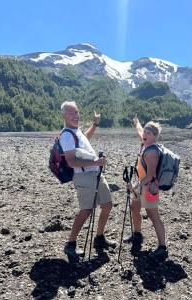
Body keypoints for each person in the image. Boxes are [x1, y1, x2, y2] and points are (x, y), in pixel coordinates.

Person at [60, 101, 116, 263]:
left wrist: (95, 124)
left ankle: (99, 238)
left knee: (107, 204)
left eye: (77, 112)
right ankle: (70, 244)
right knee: (86, 210)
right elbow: (71, 162)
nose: (75, 116)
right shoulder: (66, 135)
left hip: (95, 174)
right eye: (71, 113)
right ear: (64, 115)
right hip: (84, 176)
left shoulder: (76, 132)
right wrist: (96, 163)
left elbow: (85, 137)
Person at [127, 117, 168, 261]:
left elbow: (151, 175)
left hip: (148, 187)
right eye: (145, 131)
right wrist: (136, 122)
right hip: (141, 185)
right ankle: (137, 235)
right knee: (134, 207)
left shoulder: (152, 151)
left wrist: (136, 186)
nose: (145, 134)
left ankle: (162, 247)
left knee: (153, 215)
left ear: (155, 136)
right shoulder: (145, 142)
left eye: (149, 132)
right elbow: (139, 131)